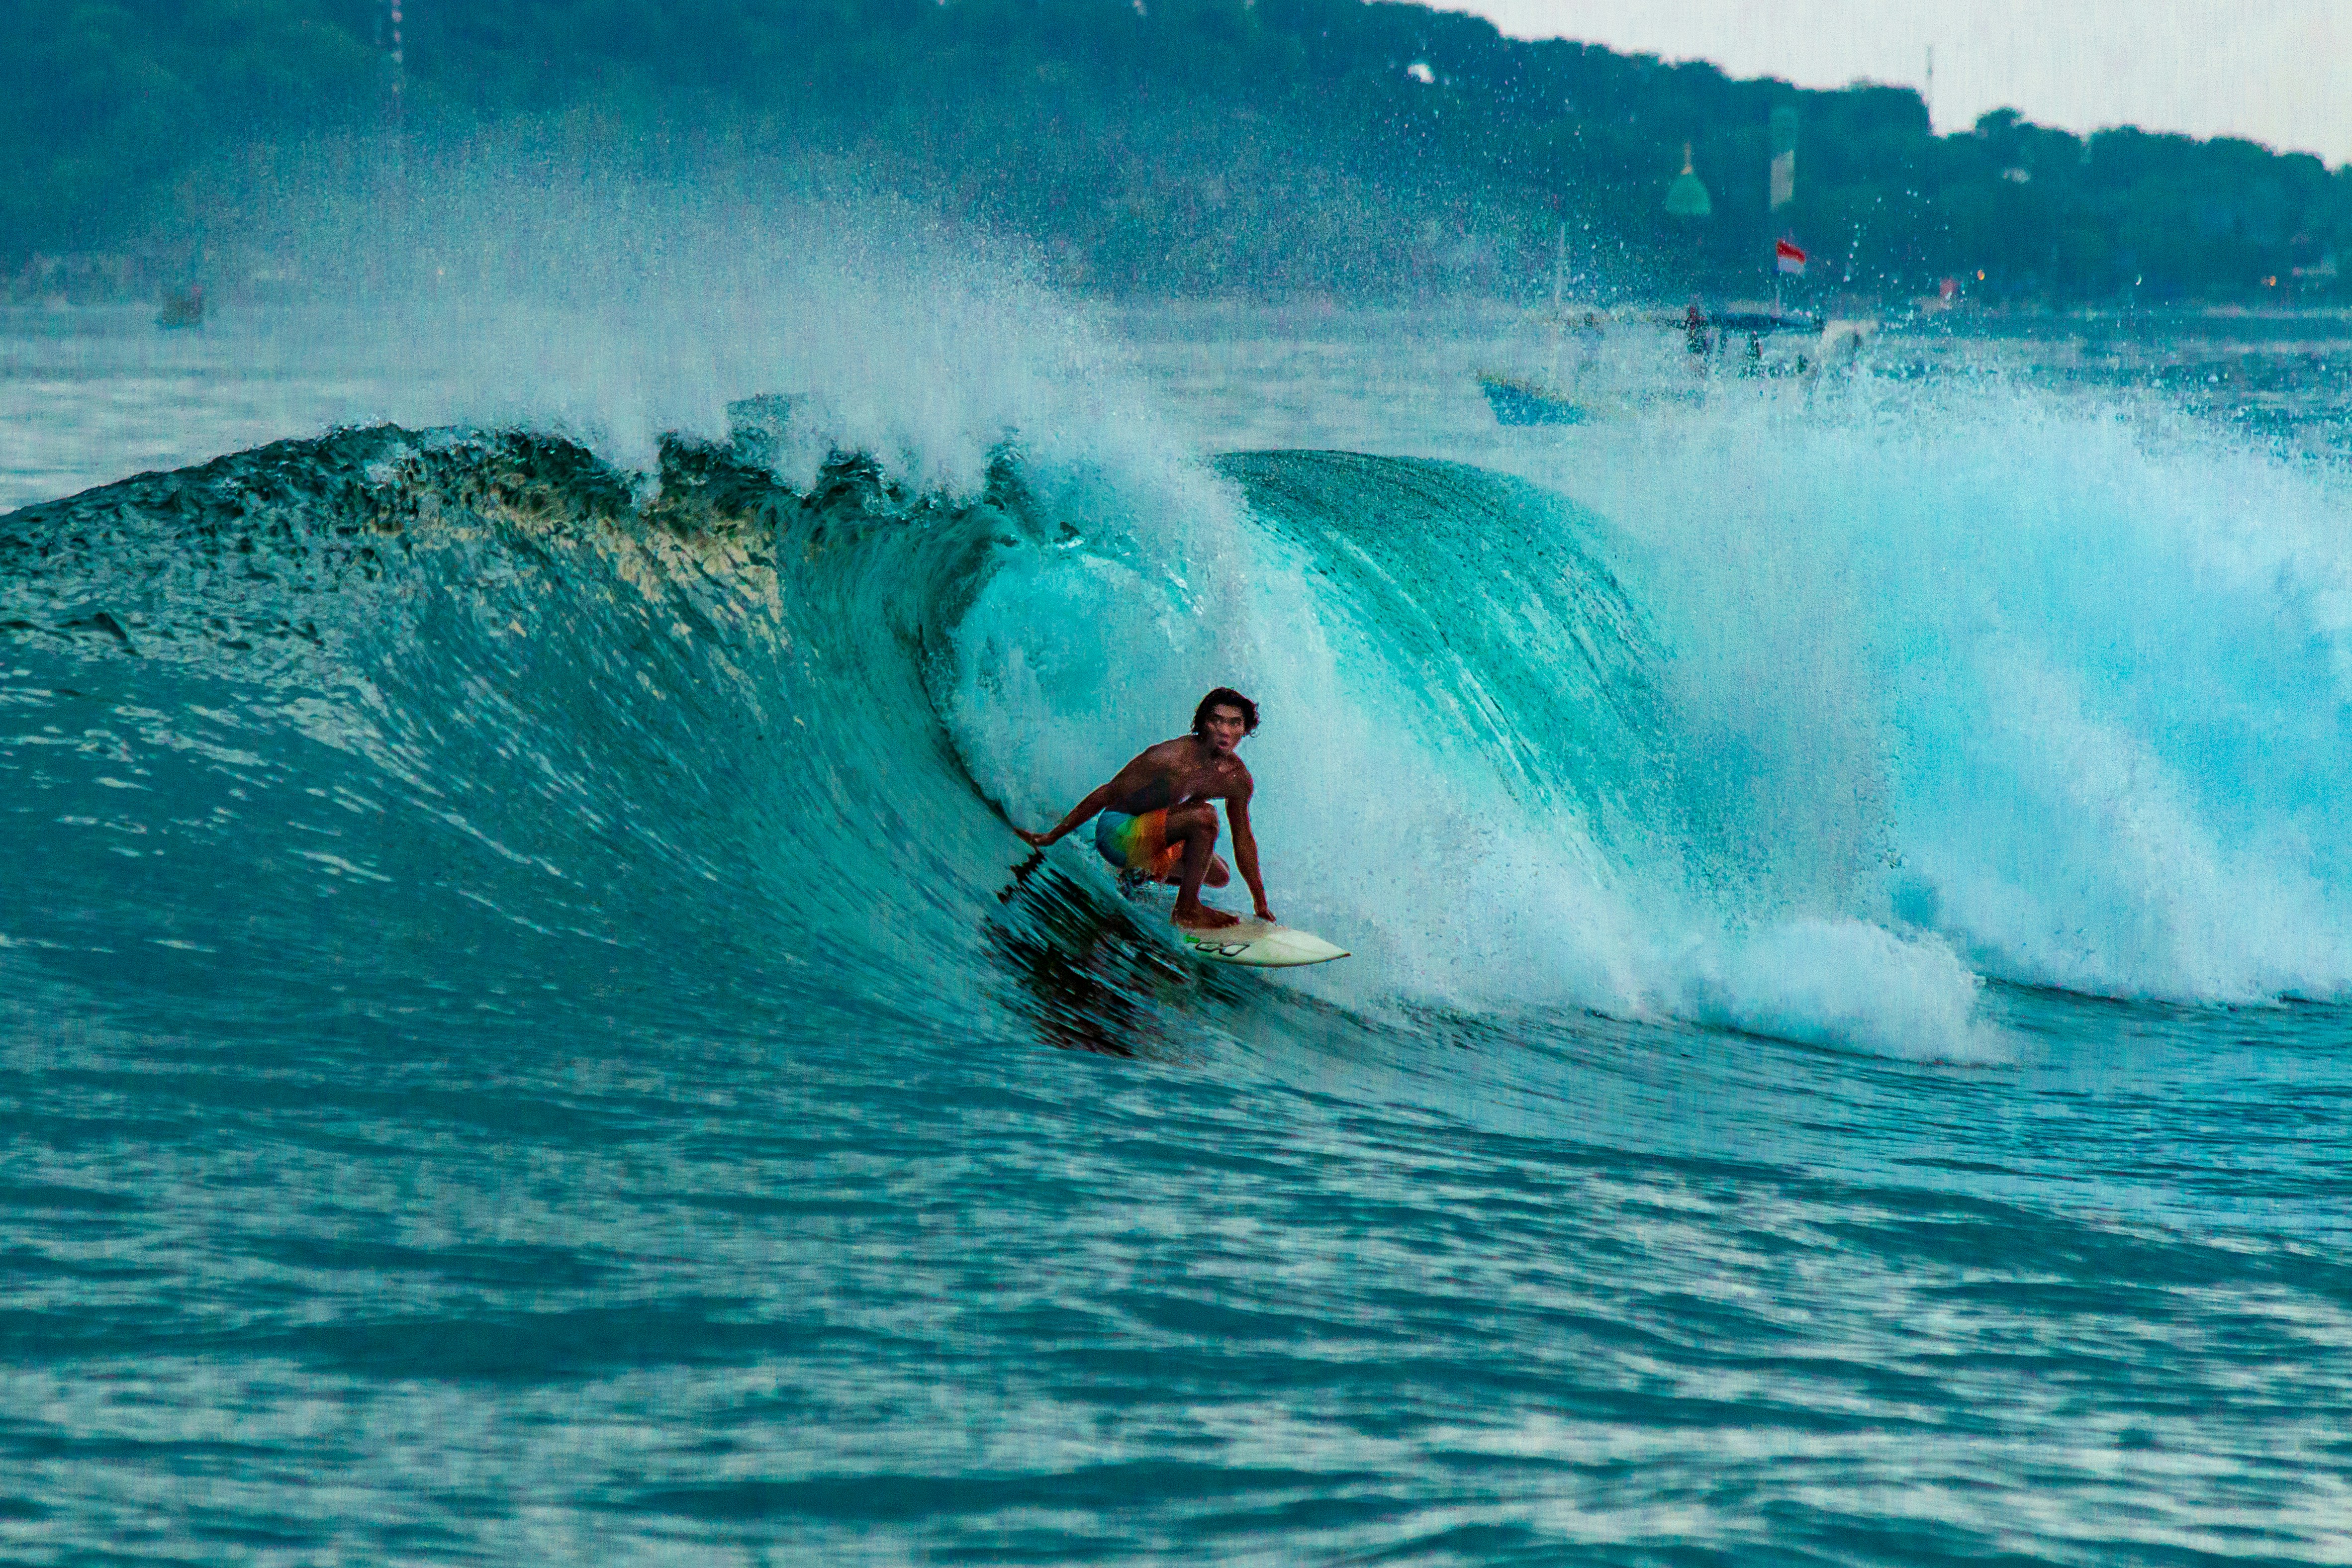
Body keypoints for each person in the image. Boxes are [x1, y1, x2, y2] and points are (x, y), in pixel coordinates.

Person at [1015, 687, 1273, 931]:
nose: (1225, 731)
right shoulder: (1169, 758)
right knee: (1205, 817)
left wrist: (1260, 901)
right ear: (1204, 723)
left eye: (1235, 723)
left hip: (1150, 836)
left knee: (1218, 874)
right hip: (1117, 832)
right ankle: (1187, 909)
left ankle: (1136, 874)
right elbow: (1108, 792)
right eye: (1217, 721)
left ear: (1246, 728)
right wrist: (1052, 836)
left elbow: (1243, 840)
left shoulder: (1237, 779)